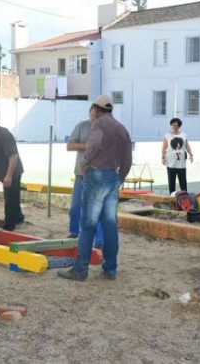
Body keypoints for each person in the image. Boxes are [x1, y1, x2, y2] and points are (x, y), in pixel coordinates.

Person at [57, 95, 132, 281]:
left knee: (88, 224)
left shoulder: (99, 124)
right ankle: (110, 269)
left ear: (96, 110)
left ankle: (80, 270)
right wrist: (119, 178)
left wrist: (86, 162)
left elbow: (95, 143)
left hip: (97, 175)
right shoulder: (121, 129)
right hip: (112, 177)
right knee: (110, 225)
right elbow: (128, 159)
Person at [67, 107, 104, 248]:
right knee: (76, 206)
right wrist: (85, 145)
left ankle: (99, 240)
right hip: (80, 174)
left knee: (97, 209)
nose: (93, 118)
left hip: (98, 175)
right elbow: (69, 146)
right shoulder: (81, 126)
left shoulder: (105, 130)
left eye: (96, 116)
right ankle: (74, 232)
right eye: (92, 115)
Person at [161, 117, 193, 195]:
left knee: (183, 182)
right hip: (171, 163)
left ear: (179, 126)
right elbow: (164, 147)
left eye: (176, 125)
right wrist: (162, 157)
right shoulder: (167, 136)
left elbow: (187, 146)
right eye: (172, 125)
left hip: (181, 163)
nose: (174, 127)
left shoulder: (183, 135)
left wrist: (191, 154)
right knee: (171, 182)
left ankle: (185, 198)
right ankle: (172, 198)